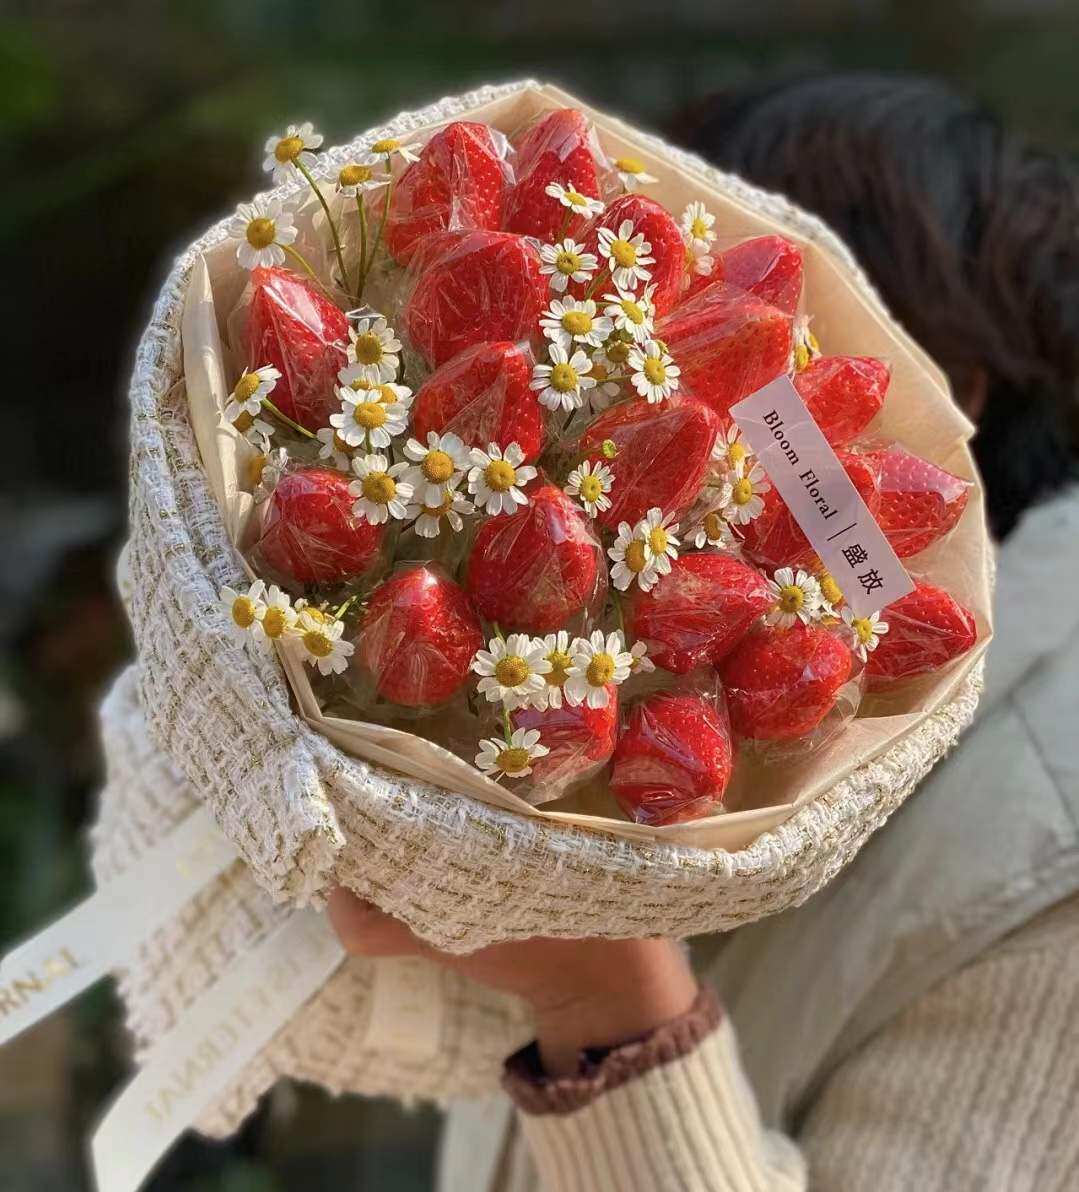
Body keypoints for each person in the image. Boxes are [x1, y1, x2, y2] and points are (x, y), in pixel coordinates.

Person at [329, 73, 1079, 1191]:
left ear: (934, 397)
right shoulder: (689, 699)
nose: (665, 363)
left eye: (743, 333)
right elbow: (369, 1022)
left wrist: (602, 994)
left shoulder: (1046, 851)